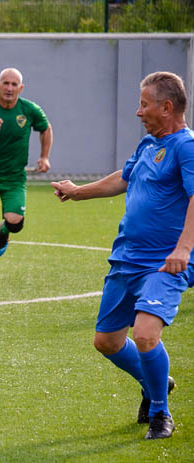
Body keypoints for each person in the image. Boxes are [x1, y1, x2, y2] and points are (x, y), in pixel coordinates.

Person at [51, 71, 194, 440]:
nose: (138, 111)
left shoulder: (186, 146)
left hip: (163, 262)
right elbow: (124, 178)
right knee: (107, 342)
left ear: (166, 107)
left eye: (144, 104)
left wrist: (183, 249)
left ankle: (161, 414)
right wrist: (78, 192)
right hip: (126, 258)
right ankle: (154, 381)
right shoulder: (148, 145)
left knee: (145, 334)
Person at [0, 68, 53, 279]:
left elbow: (46, 128)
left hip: (14, 177)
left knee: (15, 222)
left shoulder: (29, 110)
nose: (9, 88)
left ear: (21, 88)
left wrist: (44, 157)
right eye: (5, 83)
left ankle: (4, 231)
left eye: (14, 84)